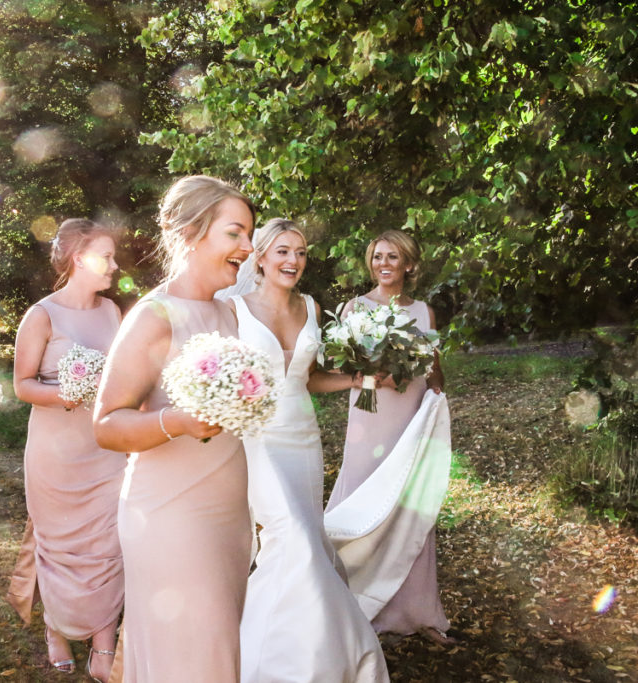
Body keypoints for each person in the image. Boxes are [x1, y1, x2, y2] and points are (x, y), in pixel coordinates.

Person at [93, 175, 254, 682]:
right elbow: (107, 424)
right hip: (169, 511)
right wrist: (178, 422)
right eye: (235, 233)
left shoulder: (229, 312)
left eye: (248, 234)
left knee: (223, 639)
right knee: (192, 647)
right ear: (191, 233)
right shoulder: (154, 316)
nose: (248, 248)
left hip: (229, 507)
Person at [225, 218, 389, 682]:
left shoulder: (313, 308)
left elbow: (311, 378)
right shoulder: (232, 310)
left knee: (303, 540)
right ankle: (287, 659)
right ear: (259, 257)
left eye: (299, 252)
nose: (292, 261)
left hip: (303, 438)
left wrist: (360, 379)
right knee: (292, 538)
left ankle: (299, 649)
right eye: (282, 251)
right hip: (258, 439)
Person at [5, 219, 124, 682]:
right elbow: (22, 385)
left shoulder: (113, 313)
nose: (114, 265)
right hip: (56, 451)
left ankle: (103, 639)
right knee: (61, 544)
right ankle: (56, 627)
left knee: (107, 540)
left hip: (104, 446)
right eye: (106, 256)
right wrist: (67, 393)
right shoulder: (43, 315)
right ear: (79, 258)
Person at [324, 228, 453, 644]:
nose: (383, 264)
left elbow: (434, 370)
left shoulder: (423, 311)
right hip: (369, 415)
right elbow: (341, 368)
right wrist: (365, 372)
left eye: (393, 257)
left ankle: (417, 612)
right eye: (378, 256)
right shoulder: (353, 308)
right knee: (363, 502)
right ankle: (349, 606)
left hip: (408, 416)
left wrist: (437, 401)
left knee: (410, 507)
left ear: (408, 264)